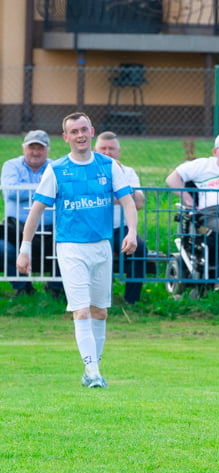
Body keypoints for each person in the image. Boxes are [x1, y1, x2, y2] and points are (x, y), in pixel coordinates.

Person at [16, 112, 138, 388]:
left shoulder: (108, 166)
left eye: (84, 129)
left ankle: (91, 369)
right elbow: (35, 211)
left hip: (102, 248)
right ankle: (93, 373)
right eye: (74, 131)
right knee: (81, 311)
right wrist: (25, 249)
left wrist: (132, 231)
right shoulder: (57, 169)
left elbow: (128, 202)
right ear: (66, 137)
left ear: (92, 131)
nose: (80, 135)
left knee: (100, 312)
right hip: (71, 248)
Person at [165, 131, 219, 278]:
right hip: (210, 214)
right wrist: (188, 200)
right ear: (215, 151)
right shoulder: (203, 165)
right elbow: (172, 178)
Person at [1, 130, 63, 298]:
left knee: (70, 245)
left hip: (52, 230)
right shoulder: (11, 166)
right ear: (24, 148)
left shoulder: (56, 167)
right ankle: (23, 288)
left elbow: (62, 193)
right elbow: (10, 193)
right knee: (1, 247)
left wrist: (26, 189)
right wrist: (46, 190)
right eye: (31, 147)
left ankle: (56, 290)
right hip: (16, 230)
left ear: (47, 149)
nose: (35, 152)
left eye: (40, 148)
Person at [94, 131, 147, 305]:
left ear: (119, 152)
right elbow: (95, 200)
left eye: (111, 149)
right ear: (95, 150)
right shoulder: (88, 171)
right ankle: (101, 300)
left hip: (121, 228)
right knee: (100, 252)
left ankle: (132, 301)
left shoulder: (128, 172)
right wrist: (124, 196)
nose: (107, 152)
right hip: (95, 228)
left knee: (139, 249)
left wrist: (112, 196)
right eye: (103, 149)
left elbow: (139, 202)